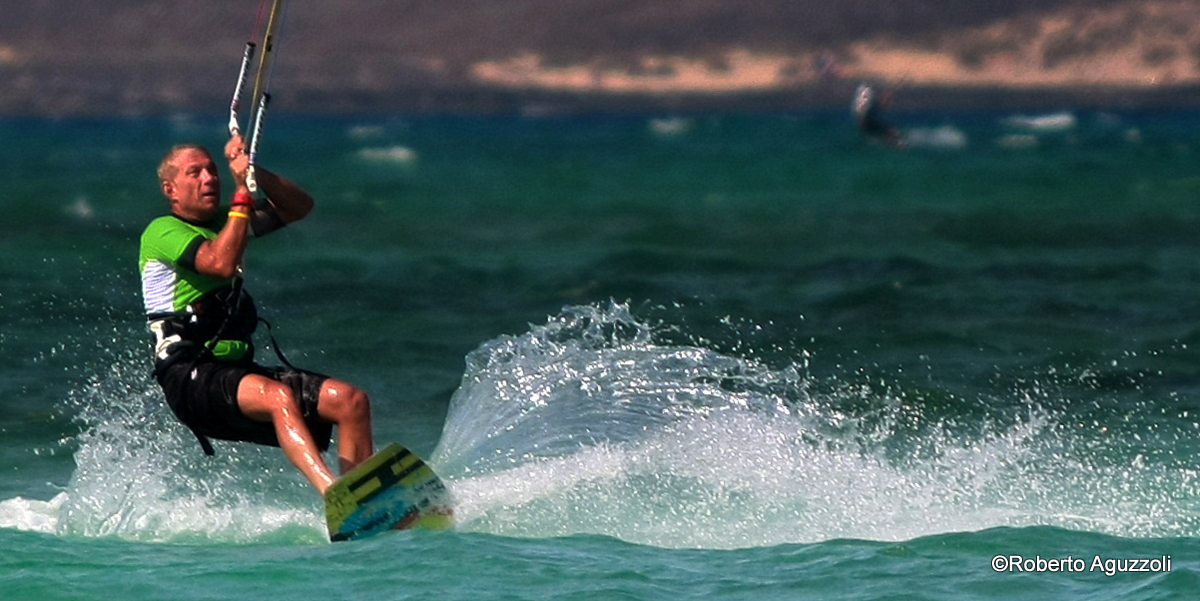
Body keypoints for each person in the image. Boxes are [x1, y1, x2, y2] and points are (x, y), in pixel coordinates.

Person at [139, 133, 373, 495]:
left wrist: (253, 173)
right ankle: (335, 495)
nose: (208, 178)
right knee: (278, 396)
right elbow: (219, 263)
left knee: (350, 401)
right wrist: (241, 197)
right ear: (171, 189)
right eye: (195, 173)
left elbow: (299, 207)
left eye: (213, 170)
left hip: (236, 371)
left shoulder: (228, 221)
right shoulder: (162, 231)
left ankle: (366, 496)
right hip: (189, 376)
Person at [852, 83, 905, 148]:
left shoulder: (869, 104)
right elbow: (879, 104)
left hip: (868, 124)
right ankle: (895, 142)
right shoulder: (870, 105)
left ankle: (894, 141)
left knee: (891, 131)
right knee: (890, 131)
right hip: (868, 125)